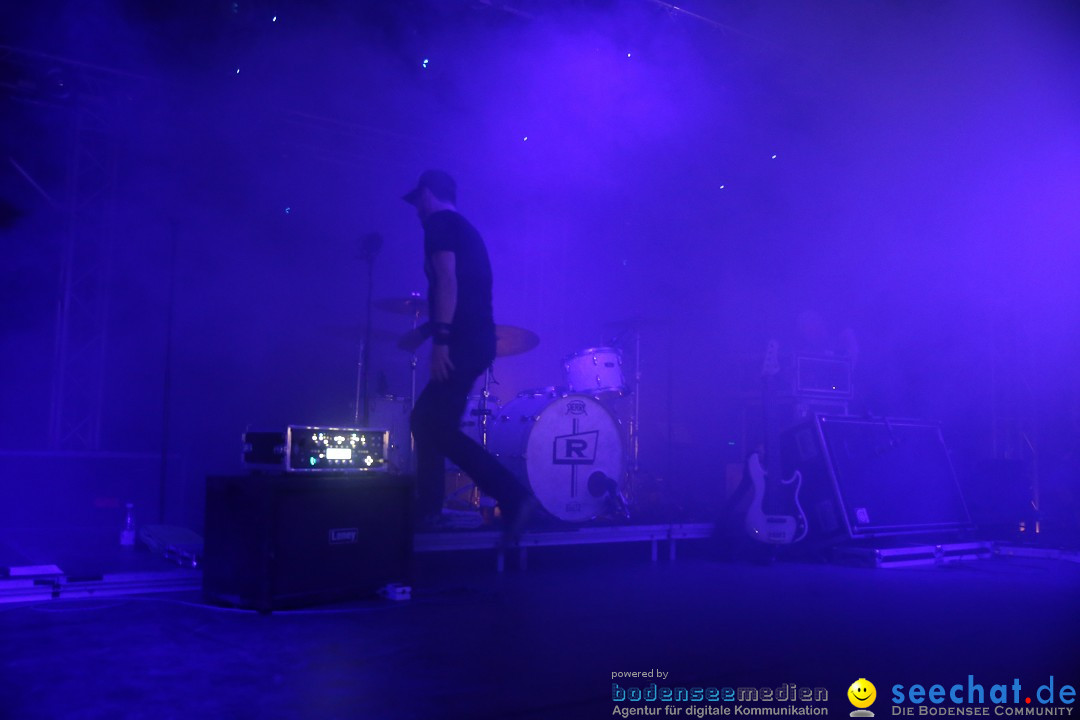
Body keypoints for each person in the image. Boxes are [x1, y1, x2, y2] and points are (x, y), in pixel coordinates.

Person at [402, 170, 537, 538]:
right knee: (430, 421)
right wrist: (427, 331)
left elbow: (448, 280)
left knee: (429, 423)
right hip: (474, 339)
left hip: (463, 341)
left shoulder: (440, 224)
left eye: (417, 201)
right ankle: (429, 510)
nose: (416, 210)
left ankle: (512, 495)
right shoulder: (464, 229)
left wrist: (441, 341)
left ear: (427, 194)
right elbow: (468, 291)